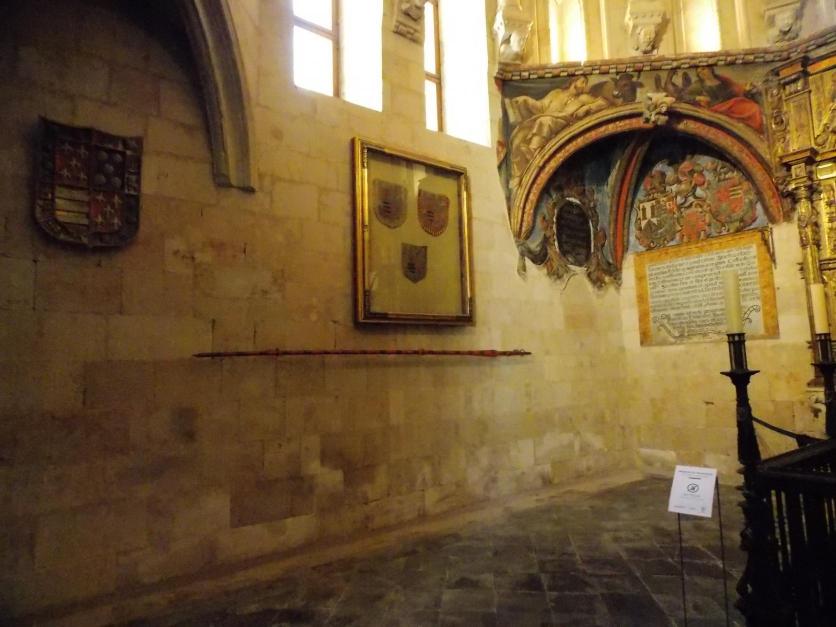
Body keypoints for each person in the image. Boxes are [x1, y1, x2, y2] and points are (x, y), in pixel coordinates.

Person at [505, 76, 609, 189]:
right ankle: (518, 176)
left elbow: (603, 103)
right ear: (574, 81)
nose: (584, 86)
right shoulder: (556, 93)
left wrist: (587, 107)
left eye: (585, 83)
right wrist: (526, 101)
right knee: (519, 137)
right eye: (582, 82)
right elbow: (541, 106)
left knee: (544, 122)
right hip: (547, 117)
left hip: (564, 122)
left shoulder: (584, 98)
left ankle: (534, 152)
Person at [683, 67, 764, 134]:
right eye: (699, 72)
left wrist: (745, 88)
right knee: (752, 109)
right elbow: (683, 96)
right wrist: (698, 98)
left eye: (703, 69)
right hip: (716, 108)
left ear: (710, 69)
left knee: (753, 107)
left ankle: (758, 130)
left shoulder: (722, 79)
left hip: (731, 104)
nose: (702, 73)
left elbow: (735, 88)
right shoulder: (698, 85)